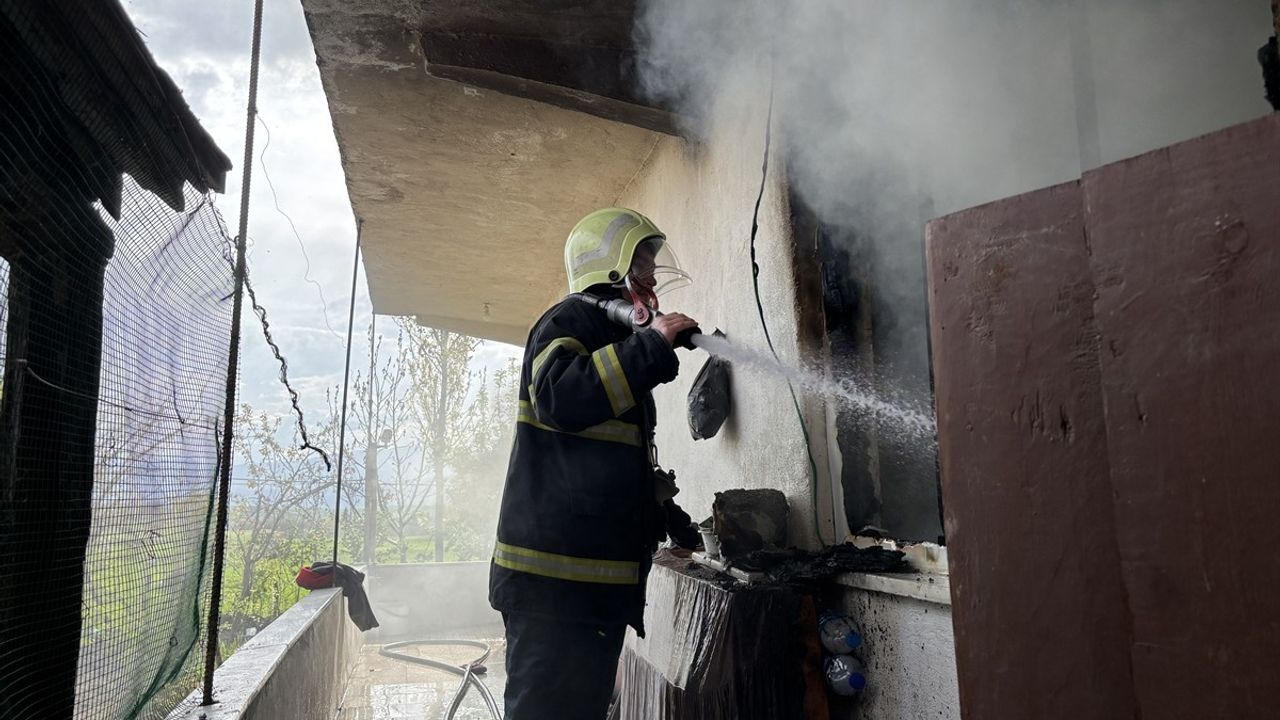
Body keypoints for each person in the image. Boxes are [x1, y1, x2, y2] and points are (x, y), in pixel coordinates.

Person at [490, 207, 702, 719]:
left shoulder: (611, 337)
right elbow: (560, 397)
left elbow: (605, 464)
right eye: (642, 264)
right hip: (553, 593)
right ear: (610, 268)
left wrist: (663, 515)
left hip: (589, 596)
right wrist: (650, 348)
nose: (652, 278)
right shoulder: (568, 321)